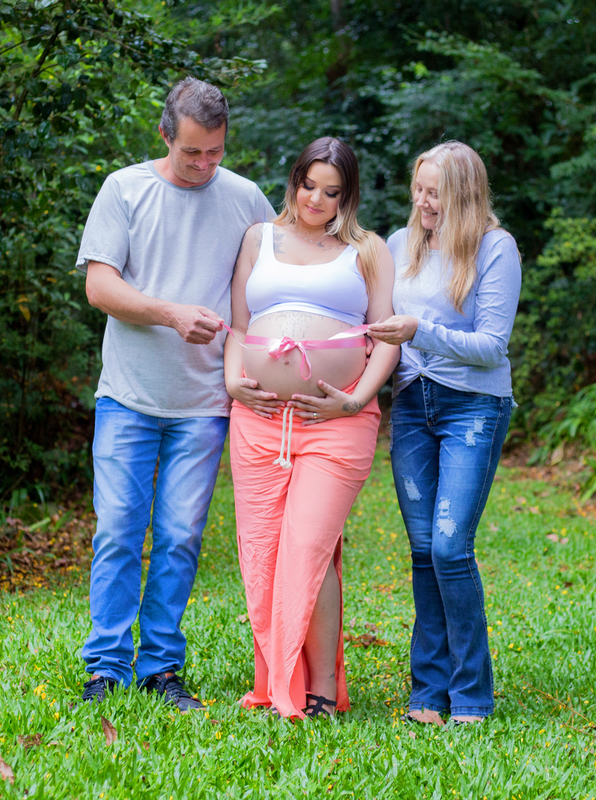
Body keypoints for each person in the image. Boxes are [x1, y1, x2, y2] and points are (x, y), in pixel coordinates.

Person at [75, 77, 276, 709]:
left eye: (215, 152)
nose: (204, 165)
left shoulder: (245, 198)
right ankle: (105, 666)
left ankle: (162, 668)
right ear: (166, 135)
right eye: (192, 153)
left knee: (181, 538)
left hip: (205, 405)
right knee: (116, 531)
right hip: (128, 398)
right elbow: (99, 289)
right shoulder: (124, 189)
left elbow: (281, 274)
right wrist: (170, 314)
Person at [224, 137, 399, 719]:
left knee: (310, 545)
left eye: (332, 191)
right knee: (265, 551)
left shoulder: (368, 250)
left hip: (336, 422)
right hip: (260, 419)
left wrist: (354, 400)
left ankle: (321, 688)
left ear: (347, 195)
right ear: (294, 178)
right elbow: (239, 325)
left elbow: (386, 340)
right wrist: (232, 380)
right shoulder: (259, 239)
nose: (316, 199)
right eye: (309, 185)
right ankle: (278, 681)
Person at [368, 141, 521, 726]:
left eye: (435, 192)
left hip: (472, 407)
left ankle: (472, 696)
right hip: (411, 404)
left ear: (463, 194)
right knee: (424, 550)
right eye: (419, 188)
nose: (423, 201)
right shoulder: (399, 245)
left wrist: (419, 330)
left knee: (452, 547)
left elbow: (491, 347)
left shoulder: (494, 248)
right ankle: (427, 694)